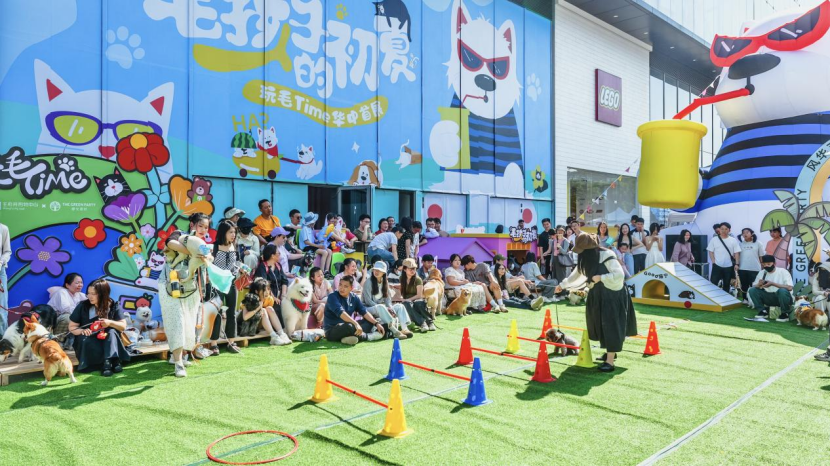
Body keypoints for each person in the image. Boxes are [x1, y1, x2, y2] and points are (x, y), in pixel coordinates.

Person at [555, 234, 637, 373]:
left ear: (589, 249)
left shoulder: (607, 255)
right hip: (597, 294)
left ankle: (610, 361)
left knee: (611, 325)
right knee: (599, 323)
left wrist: (601, 277)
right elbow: (576, 275)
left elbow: (619, 275)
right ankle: (610, 352)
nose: (580, 253)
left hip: (612, 295)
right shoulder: (586, 259)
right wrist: (562, 285)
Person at [158, 213, 212, 376]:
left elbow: (207, 262)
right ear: (192, 225)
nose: (203, 230)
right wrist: (194, 251)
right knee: (176, 322)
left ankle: (180, 355)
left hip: (191, 289)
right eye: (200, 226)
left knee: (189, 323)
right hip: (170, 286)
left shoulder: (203, 245)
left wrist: (204, 256)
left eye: (206, 227)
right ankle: (178, 364)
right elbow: (169, 243)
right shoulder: (180, 235)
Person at [68, 279, 131, 376]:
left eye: (93, 294)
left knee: (111, 332)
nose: (90, 296)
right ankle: (113, 362)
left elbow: (122, 326)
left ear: (103, 294)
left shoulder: (113, 305)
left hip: (107, 339)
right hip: (89, 337)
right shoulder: (83, 306)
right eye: (88, 293)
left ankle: (107, 362)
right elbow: (72, 327)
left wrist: (110, 323)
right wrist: (82, 330)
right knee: (84, 338)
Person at [207, 220, 242, 356]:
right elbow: (208, 264)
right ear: (223, 233)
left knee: (232, 312)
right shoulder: (214, 247)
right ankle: (213, 344)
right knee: (216, 313)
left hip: (231, 282)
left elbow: (237, 262)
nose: (233, 235)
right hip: (216, 284)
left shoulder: (235, 246)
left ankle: (231, 342)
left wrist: (240, 269)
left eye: (234, 232)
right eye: (230, 232)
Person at [323, 275, 385, 345]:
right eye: (340, 285)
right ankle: (368, 337)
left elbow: (364, 312)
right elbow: (341, 313)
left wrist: (376, 323)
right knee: (350, 326)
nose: (341, 288)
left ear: (351, 288)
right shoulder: (332, 297)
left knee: (369, 321)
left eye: (345, 286)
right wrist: (356, 324)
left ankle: (346, 338)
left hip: (348, 326)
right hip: (332, 330)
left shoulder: (354, 297)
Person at [361, 261, 414, 339]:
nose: (376, 272)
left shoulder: (385, 282)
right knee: (380, 307)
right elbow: (368, 301)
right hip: (368, 309)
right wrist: (385, 309)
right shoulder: (368, 282)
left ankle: (404, 329)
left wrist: (390, 308)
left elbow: (387, 299)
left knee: (400, 306)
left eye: (379, 270)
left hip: (381, 309)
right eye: (375, 270)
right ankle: (395, 331)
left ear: (383, 273)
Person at [237, 277, 291, 345]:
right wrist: (258, 308)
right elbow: (245, 317)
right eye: (264, 290)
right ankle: (274, 337)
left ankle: (282, 334)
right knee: (263, 310)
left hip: (260, 326)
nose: (267, 292)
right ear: (256, 291)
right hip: (247, 328)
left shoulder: (269, 299)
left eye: (268, 289)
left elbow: (268, 316)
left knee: (269, 308)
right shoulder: (249, 299)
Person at [749, 255, 794, 322]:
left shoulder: (783, 271)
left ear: (774, 263)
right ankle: (763, 311)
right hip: (769, 297)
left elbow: (790, 287)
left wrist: (773, 284)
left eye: (768, 264)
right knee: (752, 290)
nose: (766, 266)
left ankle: (785, 313)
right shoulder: (762, 272)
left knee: (782, 291)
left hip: (783, 298)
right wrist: (759, 284)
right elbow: (754, 286)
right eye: (764, 264)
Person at [47, 273, 86, 349]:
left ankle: (69, 342)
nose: (80, 285)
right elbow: (66, 309)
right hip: (54, 323)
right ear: (67, 285)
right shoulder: (62, 292)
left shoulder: (80, 295)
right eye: (77, 283)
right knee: (68, 317)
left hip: (69, 323)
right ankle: (57, 341)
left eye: (81, 282)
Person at [255, 244, 289, 325]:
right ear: (272, 256)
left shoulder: (278, 266)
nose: (280, 255)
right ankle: (280, 329)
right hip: (267, 297)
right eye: (278, 253)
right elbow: (264, 285)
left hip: (279, 295)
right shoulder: (263, 267)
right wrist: (274, 297)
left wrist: (283, 294)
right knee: (276, 305)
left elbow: (284, 281)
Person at [399, 258, 435, 331]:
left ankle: (429, 322)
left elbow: (419, 295)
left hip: (417, 299)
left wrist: (408, 299)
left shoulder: (418, 279)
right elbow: (400, 292)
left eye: (414, 269)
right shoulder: (401, 278)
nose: (412, 271)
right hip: (407, 301)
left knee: (418, 303)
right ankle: (423, 323)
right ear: (405, 269)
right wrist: (402, 299)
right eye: (410, 269)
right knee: (407, 304)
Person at [708, 222, 741, 293]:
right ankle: (713, 297)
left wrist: (737, 264)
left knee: (726, 284)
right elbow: (710, 251)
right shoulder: (714, 239)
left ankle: (725, 298)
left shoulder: (733, 240)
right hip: (717, 265)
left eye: (726, 229)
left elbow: (736, 253)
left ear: (729, 230)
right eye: (722, 229)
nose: (724, 231)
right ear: (719, 229)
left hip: (729, 266)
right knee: (713, 283)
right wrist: (713, 262)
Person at [299, 212, 333, 278]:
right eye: (314, 222)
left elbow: (313, 239)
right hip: (307, 247)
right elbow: (306, 242)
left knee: (329, 251)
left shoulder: (311, 228)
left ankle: (327, 270)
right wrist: (318, 246)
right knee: (325, 252)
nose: (315, 223)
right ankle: (322, 271)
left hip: (312, 246)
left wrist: (318, 241)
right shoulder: (304, 229)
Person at [737, 228, 764, 300]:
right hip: (742, 268)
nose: (745, 234)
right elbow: (737, 256)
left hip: (755, 268)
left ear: (752, 233)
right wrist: (737, 264)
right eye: (743, 233)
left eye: (747, 232)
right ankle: (745, 299)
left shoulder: (758, 243)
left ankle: (755, 300)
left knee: (754, 285)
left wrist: (763, 266)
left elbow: (761, 256)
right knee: (744, 285)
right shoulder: (741, 244)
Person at [0, 221, 9, 333]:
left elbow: (7, 251)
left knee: (2, 308)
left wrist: (1, 261)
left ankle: (2, 337)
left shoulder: (3, 228)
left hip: (0, 271)